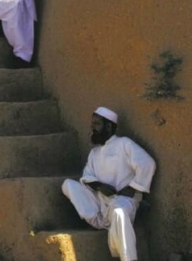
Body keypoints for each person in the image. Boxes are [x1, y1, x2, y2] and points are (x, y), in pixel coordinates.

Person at [62, 107, 156, 261]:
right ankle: (100, 222)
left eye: (97, 124)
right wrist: (100, 187)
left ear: (108, 126)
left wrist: (133, 188)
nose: (93, 128)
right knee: (68, 185)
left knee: (119, 212)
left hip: (123, 201)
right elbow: (87, 176)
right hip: (101, 202)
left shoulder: (124, 143)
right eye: (92, 124)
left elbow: (147, 163)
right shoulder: (94, 153)